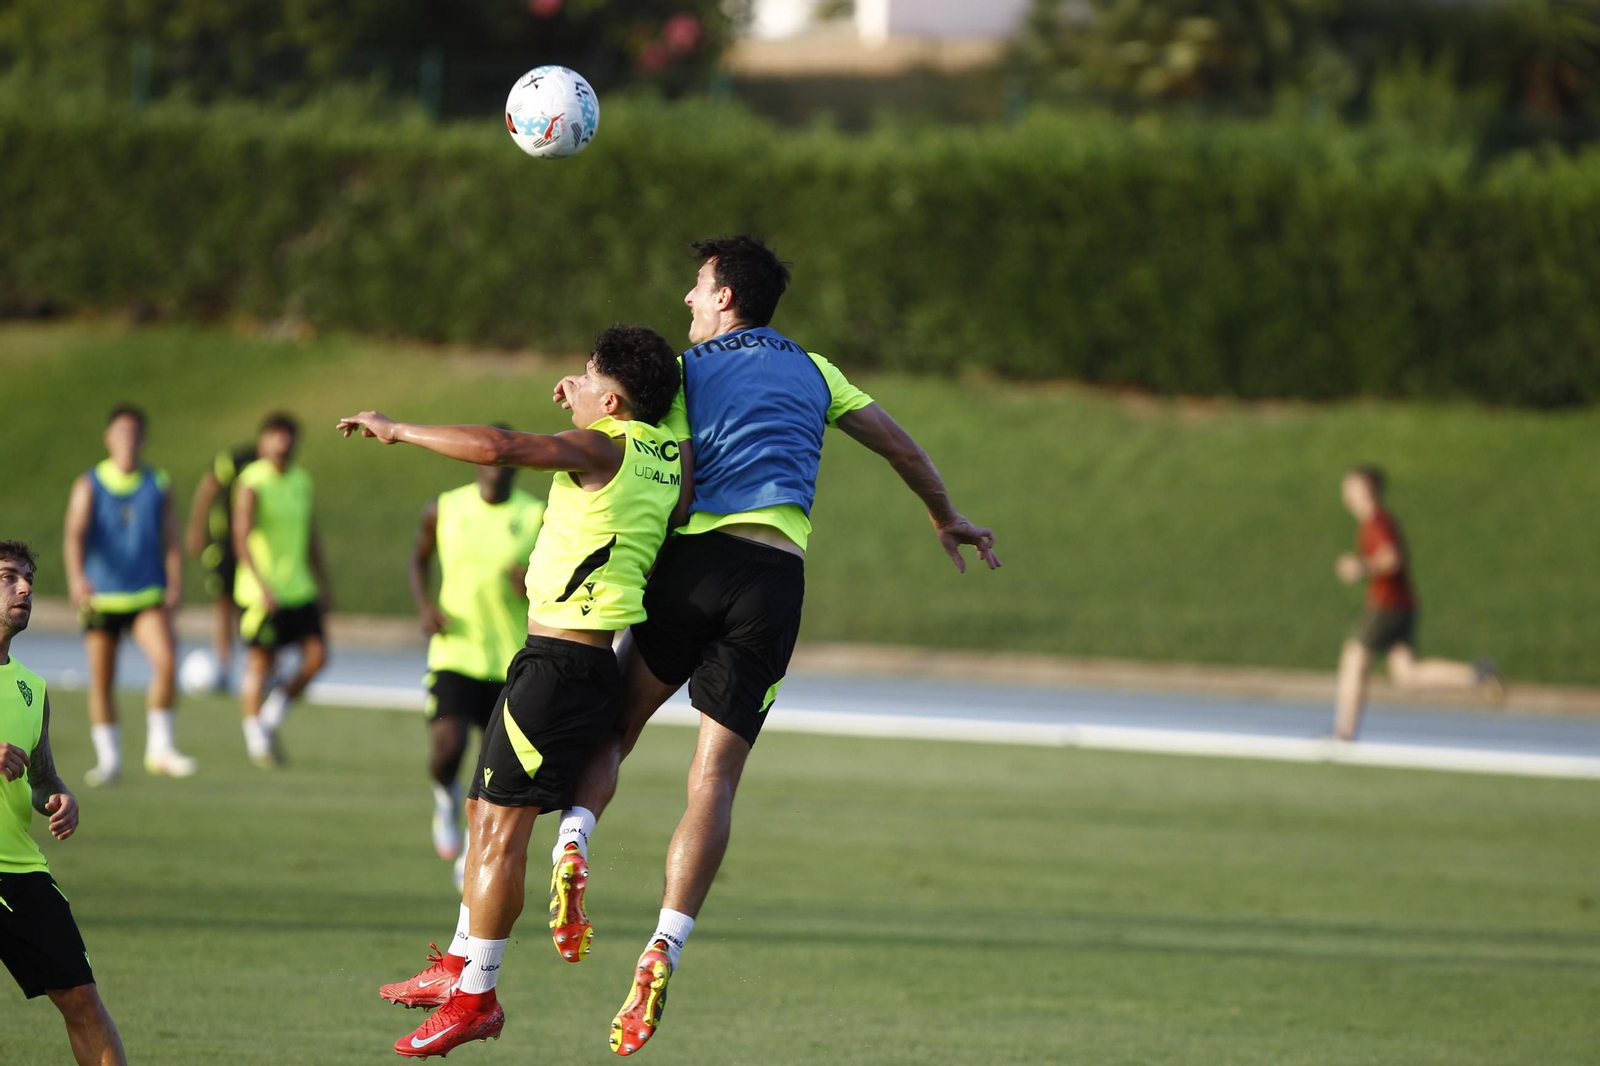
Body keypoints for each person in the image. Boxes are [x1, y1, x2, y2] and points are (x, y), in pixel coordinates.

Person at [545, 236, 1001, 1057]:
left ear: (725, 297)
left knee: (616, 726)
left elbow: (671, 473)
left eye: (696, 287)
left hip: (697, 564)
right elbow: (902, 447)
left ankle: (575, 835)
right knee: (713, 778)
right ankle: (665, 945)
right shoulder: (817, 371)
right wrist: (945, 516)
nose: (687, 299)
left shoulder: (686, 372)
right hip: (774, 583)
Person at [341, 325, 682, 1061]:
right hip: (576, 665)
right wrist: (590, 408)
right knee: (479, 812)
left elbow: (499, 449)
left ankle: (478, 997)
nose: (571, 388)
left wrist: (395, 428)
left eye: (584, 378)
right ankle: (462, 963)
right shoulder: (667, 457)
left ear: (616, 399)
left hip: (556, 668)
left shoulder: (605, 446)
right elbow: (662, 517)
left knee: (499, 834)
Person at [0, 540, 130, 1066]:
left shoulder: (32, 687)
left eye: (28, 578)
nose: (25, 588)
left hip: (20, 870)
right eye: (9, 576)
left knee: (83, 1001)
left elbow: (42, 774)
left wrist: (59, 796)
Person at [410, 443, 545, 880]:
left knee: (495, 772)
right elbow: (419, 557)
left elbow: (559, 576)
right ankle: (444, 798)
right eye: (489, 460)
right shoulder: (445, 508)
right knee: (446, 750)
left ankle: (472, 851)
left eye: (507, 461)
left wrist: (532, 582)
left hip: (510, 660)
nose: (496, 469)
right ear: (476, 464)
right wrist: (424, 606)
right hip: (455, 651)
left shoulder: (536, 515)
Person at [61, 404, 197, 786]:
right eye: (121, 432)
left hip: (146, 593)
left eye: (135, 433)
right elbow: (75, 534)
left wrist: (175, 582)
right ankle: (109, 760)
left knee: (168, 659)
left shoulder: (158, 483)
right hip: (102, 596)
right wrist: (76, 579)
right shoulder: (90, 483)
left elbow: (171, 538)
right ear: (109, 437)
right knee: (103, 680)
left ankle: (160, 748)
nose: (128, 440)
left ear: (144, 438)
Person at [1332, 465, 1502, 740]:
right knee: (1406, 674)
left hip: (1384, 604)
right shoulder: (1378, 522)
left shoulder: (1376, 522)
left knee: (1353, 658)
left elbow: (1393, 558)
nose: (1346, 490)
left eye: (1350, 485)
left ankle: (1344, 733)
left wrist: (1360, 567)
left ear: (1364, 489)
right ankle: (1476, 674)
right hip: (1403, 605)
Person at [233, 413, 332, 768]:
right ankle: (254, 736)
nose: (282, 443)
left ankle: (271, 715)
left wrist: (323, 582)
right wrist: (261, 586)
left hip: (298, 587)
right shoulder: (251, 481)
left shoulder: (301, 481)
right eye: (275, 435)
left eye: (289, 436)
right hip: (262, 592)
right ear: (263, 441)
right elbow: (241, 537)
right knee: (260, 662)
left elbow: (310, 535)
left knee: (318, 657)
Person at [184, 441, 258, 689]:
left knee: (251, 604)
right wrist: (197, 529)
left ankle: (257, 666)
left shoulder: (281, 469)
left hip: (258, 545)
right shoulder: (239, 460)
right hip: (224, 543)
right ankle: (224, 664)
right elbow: (208, 488)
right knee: (224, 601)